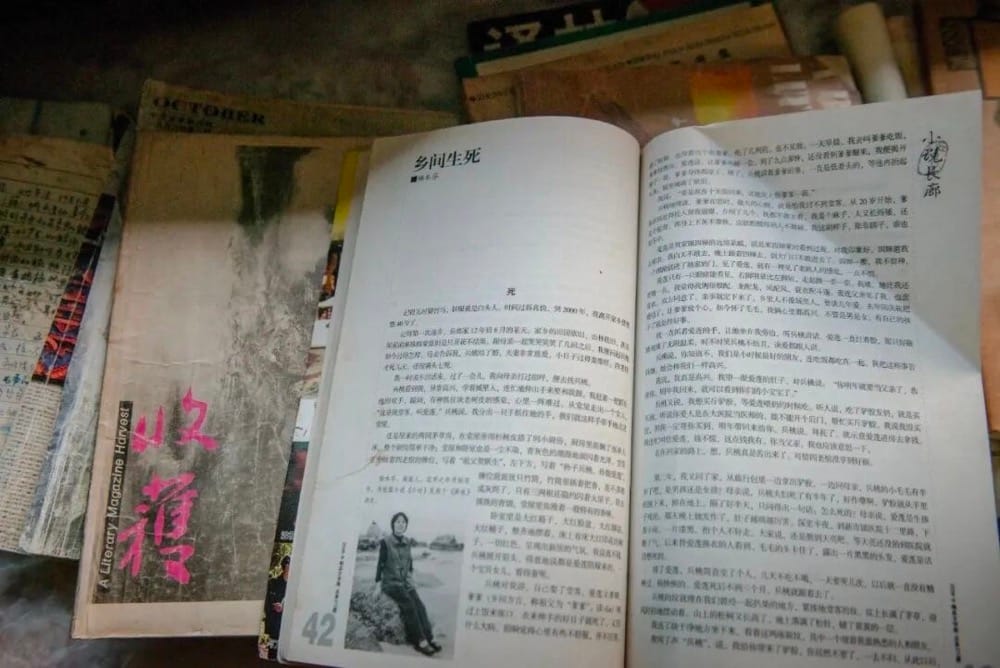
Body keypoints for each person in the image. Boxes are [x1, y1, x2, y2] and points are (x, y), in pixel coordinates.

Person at [374, 512, 441, 656]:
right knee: (409, 605)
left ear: (406, 525)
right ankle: (420, 641)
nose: (400, 524)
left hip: (405, 582)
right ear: (393, 524)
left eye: (403, 522)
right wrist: (377, 584)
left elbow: (410, 563)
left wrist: (411, 579)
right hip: (391, 583)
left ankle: (430, 638)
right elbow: (380, 564)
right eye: (398, 522)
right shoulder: (385, 542)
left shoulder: (407, 542)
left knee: (420, 606)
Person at [264, 555, 290, 648]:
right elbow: (266, 605)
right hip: (275, 628)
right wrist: (275, 607)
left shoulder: (298, 587)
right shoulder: (272, 583)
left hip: (290, 630)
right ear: (285, 567)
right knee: (273, 652)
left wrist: (285, 608)